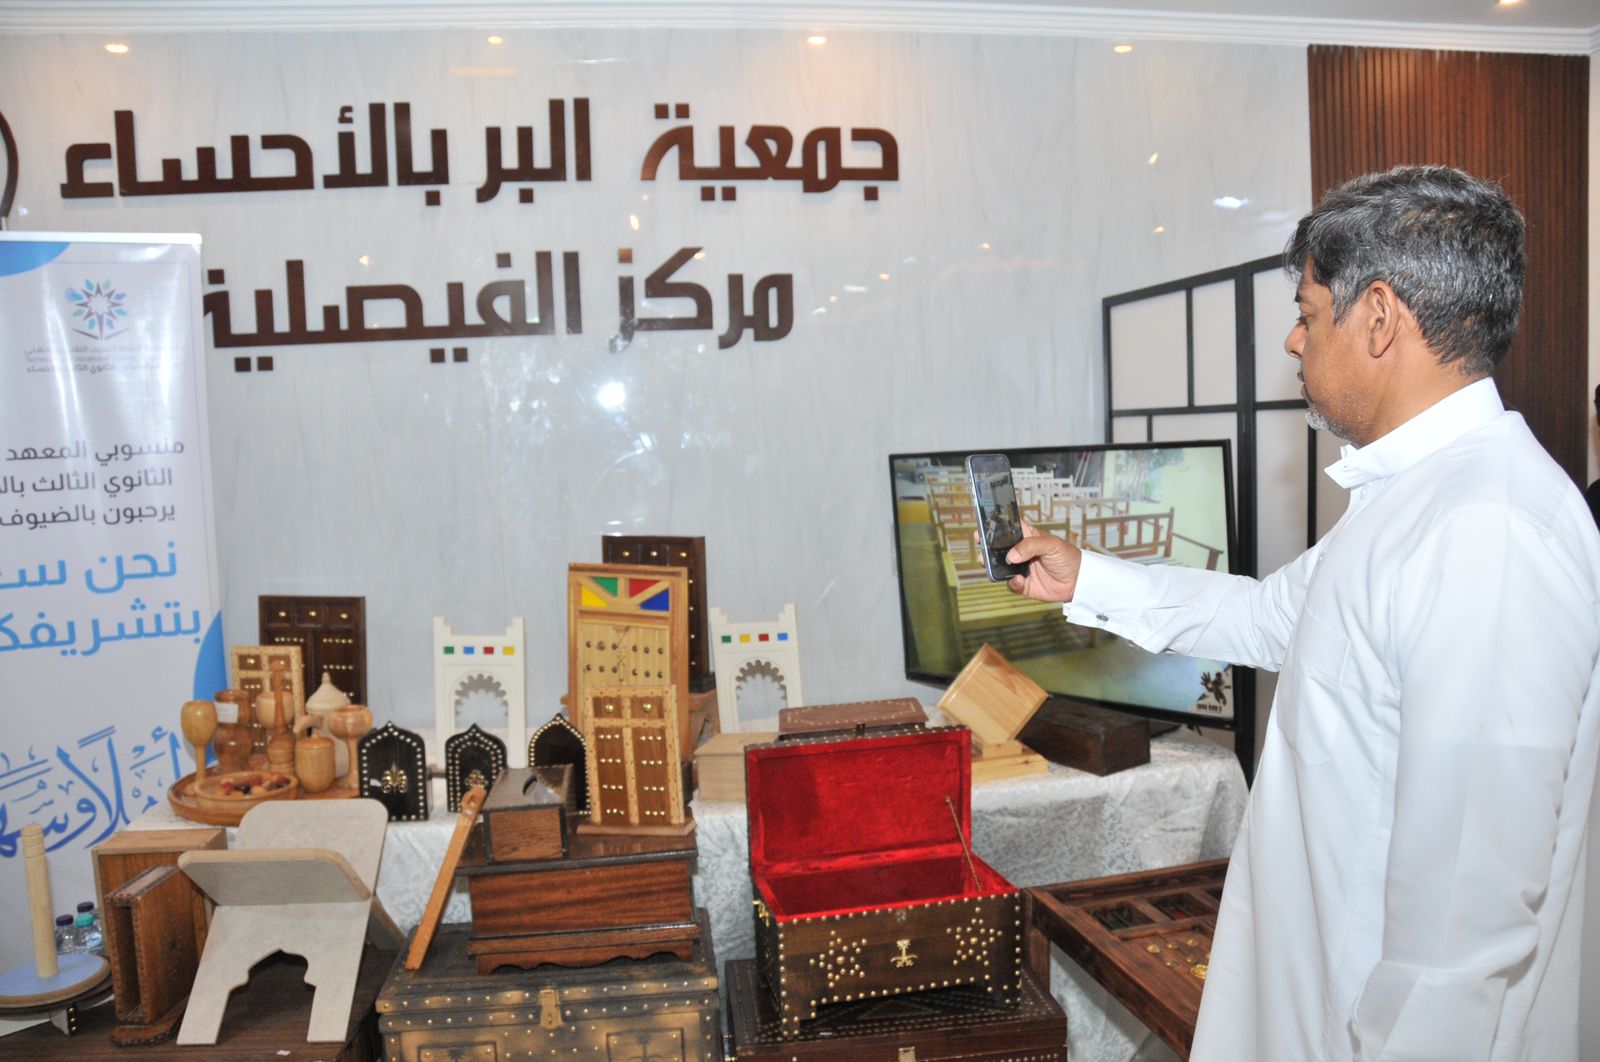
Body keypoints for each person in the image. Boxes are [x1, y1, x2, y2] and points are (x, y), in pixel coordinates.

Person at [1006, 165, 1600, 1061]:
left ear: (1379, 318)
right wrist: (1086, 577)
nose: (1293, 339)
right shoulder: (1418, 499)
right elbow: (1266, 617)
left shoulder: (1489, 530)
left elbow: (1461, 932)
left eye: (1309, 312)